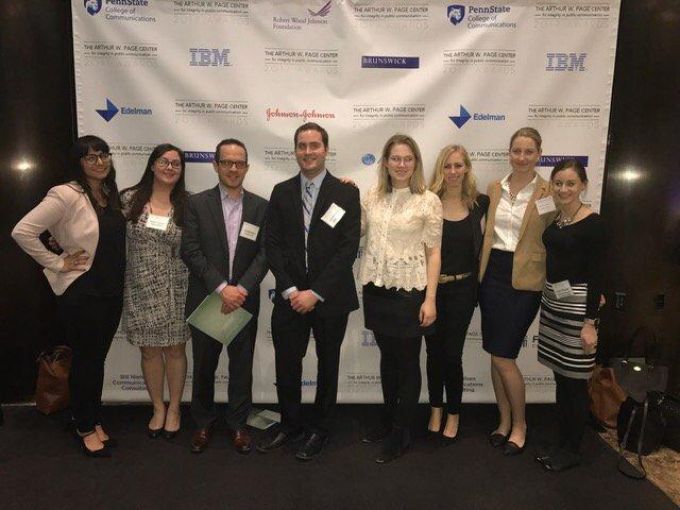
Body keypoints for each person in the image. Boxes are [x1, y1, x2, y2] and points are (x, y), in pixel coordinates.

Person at [12, 135, 125, 457]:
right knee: (87, 360)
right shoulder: (65, 194)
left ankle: (89, 416)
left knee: (96, 359)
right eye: (91, 158)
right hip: (83, 289)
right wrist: (58, 263)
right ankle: (85, 427)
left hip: (111, 288)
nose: (100, 162)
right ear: (78, 162)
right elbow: (22, 231)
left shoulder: (109, 194)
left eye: (104, 155)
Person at [260, 122, 360, 461]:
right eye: (301, 145)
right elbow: (270, 245)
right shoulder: (281, 191)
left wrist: (314, 293)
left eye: (314, 145)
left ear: (326, 149)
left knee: (328, 364)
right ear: (295, 150)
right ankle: (290, 424)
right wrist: (291, 289)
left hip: (330, 297)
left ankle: (321, 428)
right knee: (287, 363)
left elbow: (347, 249)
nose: (307, 151)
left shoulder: (346, 193)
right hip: (289, 297)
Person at [180, 138, 268, 455]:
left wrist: (240, 289)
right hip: (208, 298)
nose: (233, 168)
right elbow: (190, 250)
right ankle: (202, 422)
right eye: (227, 162)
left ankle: (238, 424)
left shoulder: (261, 206)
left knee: (241, 367)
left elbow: (265, 254)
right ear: (216, 165)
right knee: (204, 365)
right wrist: (222, 288)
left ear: (246, 167)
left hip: (243, 300)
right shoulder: (196, 204)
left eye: (239, 163)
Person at [360, 134, 443, 463]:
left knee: (407, 363)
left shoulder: (428, 200)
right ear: (385, 162)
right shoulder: (372, 196)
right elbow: (358, 231)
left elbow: (434, 253)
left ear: (416, 163)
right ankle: (388, 418)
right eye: (395, 158)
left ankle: (402, 431)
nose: (402, 164)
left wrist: (431, 298)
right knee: (387, 359)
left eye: (408, 158)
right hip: (376, 290)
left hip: (411, 292)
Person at [478, 127, 555, 456]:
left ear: (539, 154)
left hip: (526, 280)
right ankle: (503, 419)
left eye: (528, 152)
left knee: (503, 355)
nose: (521, 157)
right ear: (509, 153)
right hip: (492, 274)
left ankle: (520, 424)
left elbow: (561, 235)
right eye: (516, 151)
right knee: (495, 354)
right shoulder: (494, 188)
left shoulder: (549, 192)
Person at [535, 159, 605, 471]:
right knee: (561, 378)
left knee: (575, 382)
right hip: (553, 304)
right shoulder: (558, 218)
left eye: (570, 184)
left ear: (583, 186)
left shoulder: (593, 223)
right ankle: (563, 441)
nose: (563, 189)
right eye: (559, 183)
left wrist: (590, 323)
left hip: (577, 309)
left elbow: (598, 273)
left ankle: (573, 449)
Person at [120, 144, 190, 440]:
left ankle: (174, 408)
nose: (170, 167)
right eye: (164, 161)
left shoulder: (189, 204)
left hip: (177, 288)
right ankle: (157, 408)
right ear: (152, 165)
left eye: (176, 163)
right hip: (140, 288)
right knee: (149, 351)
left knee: (175, 349)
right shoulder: (129, 199)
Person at [424, 145, 489, 444]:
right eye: (447, 166)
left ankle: (454, 413)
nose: (452, 172)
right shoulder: (428, 202)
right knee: (433, 354)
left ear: (467, 168)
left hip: (463, 289)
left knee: (452, 355)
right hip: (431, 289)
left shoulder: (479, 205)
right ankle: (435, 408)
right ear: (441, 169)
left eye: (458, 165)